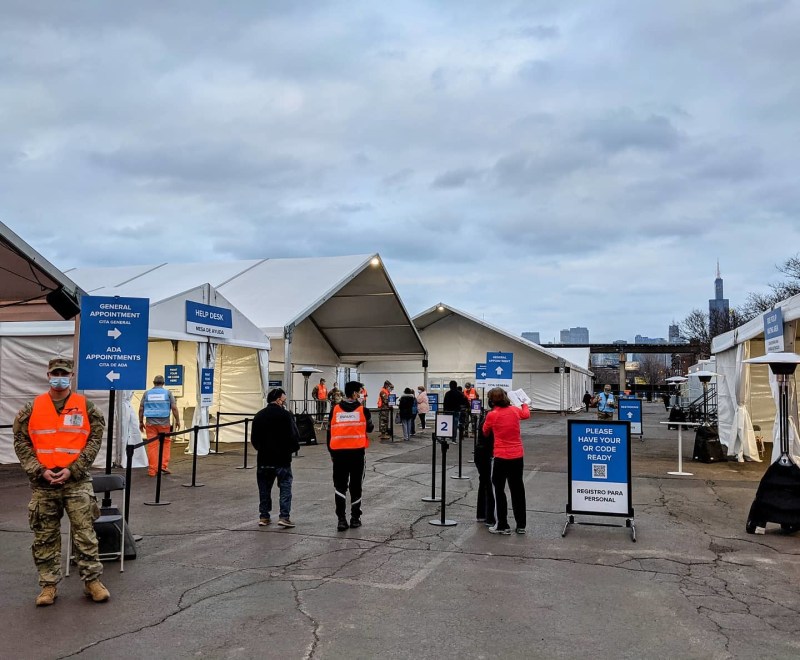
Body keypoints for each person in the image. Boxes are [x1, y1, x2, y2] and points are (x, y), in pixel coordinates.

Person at [13, 357, 110, 606]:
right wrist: (39, 470)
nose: (59, 377)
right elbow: (21, 442)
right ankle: (48, 586)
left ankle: (92, 582)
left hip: (76, 481)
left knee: (85, 534)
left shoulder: (85, 407)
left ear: (71, 376)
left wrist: (74, 469)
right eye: (55, 373)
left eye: (64, 373)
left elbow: (94, 441)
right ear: (48, 375)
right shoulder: (31, 408)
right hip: (44, 482)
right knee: (44, 537)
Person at [482, 387, 530, 535]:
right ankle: (521, 524)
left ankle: (502, 524)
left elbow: (485, 431)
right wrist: (524, 403)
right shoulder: (515, 411)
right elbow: (526, 414)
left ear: (491, 401)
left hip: (501, 457)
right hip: (517, 456)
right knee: (517, 490)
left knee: (499, 490)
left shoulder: (492, 415)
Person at [328, 381, 374, 531]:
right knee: (356, 486)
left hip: (339, 455)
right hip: (357, 455)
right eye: (360, 391)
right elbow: (371, 428)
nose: (361, 394)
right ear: (354, 394)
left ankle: (341, 520)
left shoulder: (335, 409)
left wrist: (332, 453)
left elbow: (330, 432)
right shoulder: (363, 410)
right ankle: (355, 518)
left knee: (340, 486)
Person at [251, 388, 300, 528]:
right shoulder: (286, 415)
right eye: (284, 400)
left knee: (264, 489)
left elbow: (254, 439)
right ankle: (284, 517)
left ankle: (264, 516)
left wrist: (262, 449)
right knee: (285, 487)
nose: (284, 402)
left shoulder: (259, 415)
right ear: (279, 399)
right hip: (282, 459)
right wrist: (292, 449)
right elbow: (294, 436)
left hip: (264, 459)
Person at [139, 375, 181, 476]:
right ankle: (163, 466)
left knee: (152, 446)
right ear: (163, 383)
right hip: (164, 423)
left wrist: (140, 421)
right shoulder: (168, 393)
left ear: (153, 382)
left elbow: (141, 408)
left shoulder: (147, 393)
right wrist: (178, 420)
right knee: (166, 444)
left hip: (150, 423)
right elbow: (174, 408)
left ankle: (152, 470)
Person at [474, 407, 496, 527]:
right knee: (488, 484)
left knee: (484, 483)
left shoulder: (488, 415)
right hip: (486, 453)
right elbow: (487, 432)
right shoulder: (492, 416)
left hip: (482, 452)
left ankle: (482, 514)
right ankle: (489, 516)